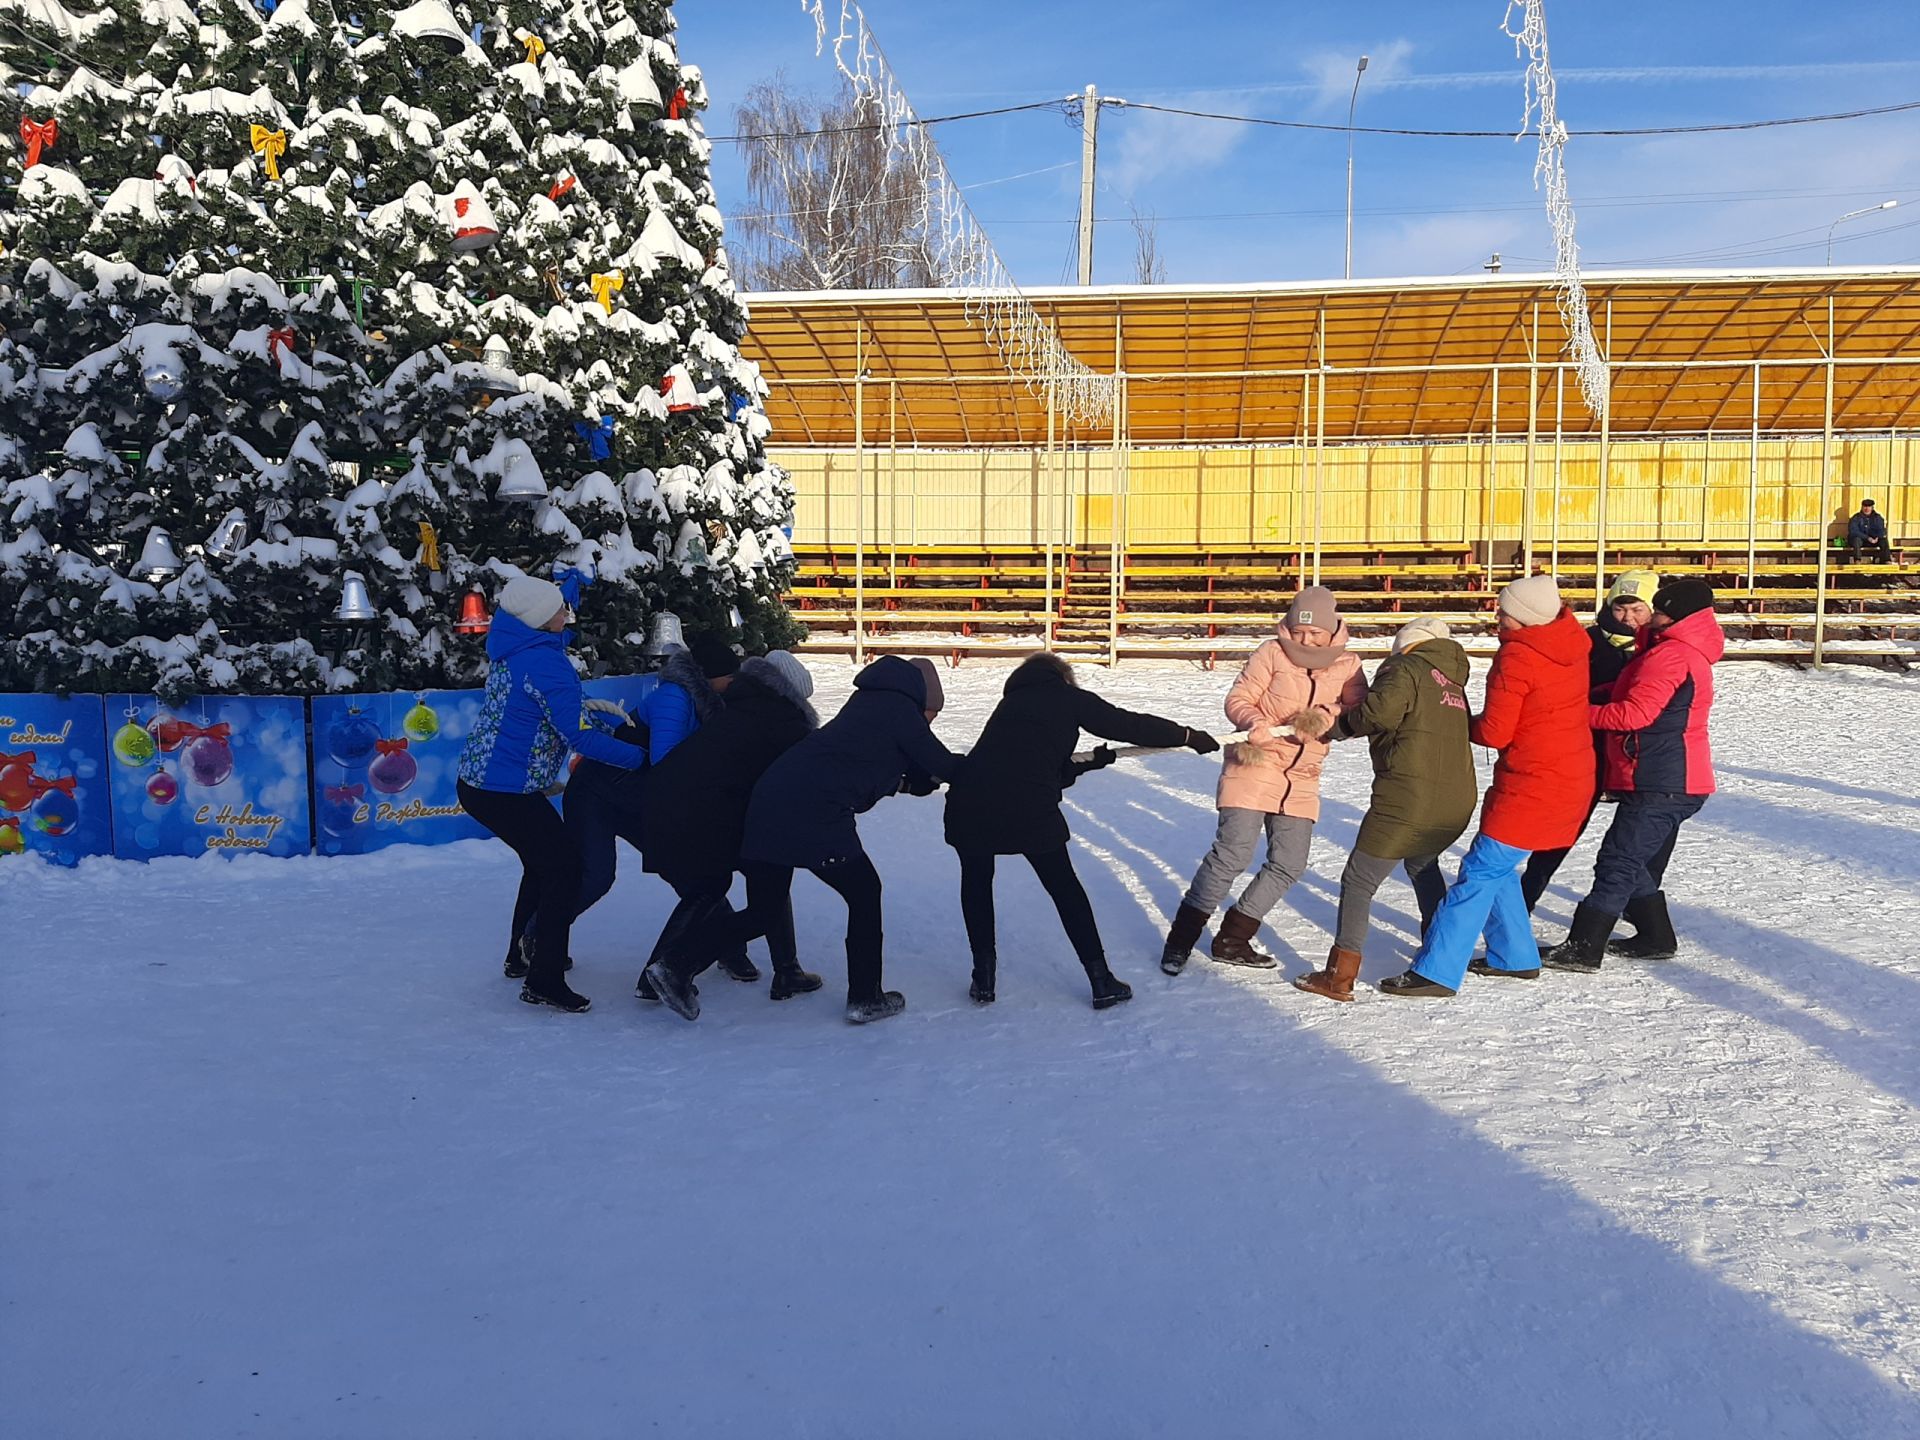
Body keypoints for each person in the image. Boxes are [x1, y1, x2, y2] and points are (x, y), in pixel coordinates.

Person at [650, 655, 959, 1025]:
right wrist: (999, 770)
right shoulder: (899, 711)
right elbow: (944, 764)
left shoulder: (866, 703)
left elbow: (861, 763)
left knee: (764, 911)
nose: (929, 724)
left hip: (767, 806)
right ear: (921, 700)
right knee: (864, 893)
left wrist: (908, 782)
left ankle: (675, 965)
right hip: (814, 815)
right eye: (931, 715)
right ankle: (866, 996)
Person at [942, 653, 1212, 1009]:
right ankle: (1101, 981)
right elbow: (1127, 725)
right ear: (1064, 677)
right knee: (1065, 889)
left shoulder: (1010, 705)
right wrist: (1186, 735)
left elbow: (1033, 763)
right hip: (1028, 810)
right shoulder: (1068, 697)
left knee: (977, 884)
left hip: (968, 803)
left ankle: (983, 979)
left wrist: (1092, 763)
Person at [1379, 575, 1592, 998]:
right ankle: (1515, 957)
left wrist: (1449, 721)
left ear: (1525, 618)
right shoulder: (1570, 645)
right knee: (1498, 865)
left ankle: (1437, 970)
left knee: (1479, 870)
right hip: (1570, 776)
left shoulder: (1519, 657)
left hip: (1533, 782)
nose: (1497, 615)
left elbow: (1495, 732)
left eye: (1504, 610)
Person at [456, 575, 646, 1013]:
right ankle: (545, 976)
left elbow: (559, 715)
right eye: (561, 609)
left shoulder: (517, 649)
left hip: (485, 782)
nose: (569, 615)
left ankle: (522, 957)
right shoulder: (545, 663)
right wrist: (642, 759)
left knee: (543, 865)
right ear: (542, 620)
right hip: (503, 790)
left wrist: (603, 723)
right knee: (566, 868)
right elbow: (579, 738)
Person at [515, 636, 744, 985]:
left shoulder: (709, 702)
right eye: (731, 677)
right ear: (710, 677)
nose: (734, 684)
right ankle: (536, 936)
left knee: (689, 872)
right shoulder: (675, 697)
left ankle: (729, 948)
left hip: (638, 795)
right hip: (597, 792)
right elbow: (665, 760)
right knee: (595, 877)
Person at [1160, 586, 1357, 975]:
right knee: (1232, 854)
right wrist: (1253, 722)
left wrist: (1325, 715)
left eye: (1314, 633)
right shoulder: (1271, 652)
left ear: (1331, 629)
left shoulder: (1348, 665)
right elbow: (1239, 697)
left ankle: (1233, 938)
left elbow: (1357, 708)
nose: (1304, 640)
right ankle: (1180, 941)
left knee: (1289, 862)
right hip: (1255, 763)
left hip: (1302, 774)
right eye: (1298, 632)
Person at [1543, 580, 1724, 972]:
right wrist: (1587, 694)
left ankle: (1584, 946)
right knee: (1635, 861)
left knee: (1618, 861)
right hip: (1670, 776)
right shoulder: (1675, 651)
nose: (1648, 615)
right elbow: (1632, 691)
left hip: (1662, 779)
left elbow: (1633, 715)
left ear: (1674, 615)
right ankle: (1655, 936)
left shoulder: (1672, 656)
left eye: (1657, 609)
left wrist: (1571, 715)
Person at [1294, 615, 1474, 1003]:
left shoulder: (1405, 666)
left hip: (1408, 796)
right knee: (1422, 866)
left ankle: (1339, 976)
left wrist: (1337, 728)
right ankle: (1437, 952)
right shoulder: (1454, 681)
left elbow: (1380, 712)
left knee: (1359, 879)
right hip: (1456, 798)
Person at [634, 651, 821, 1011]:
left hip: (696, 811)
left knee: (765, 887)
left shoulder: (737, 707)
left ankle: (787, 969)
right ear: (791, 695)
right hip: (712, 817)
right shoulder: (782, 721)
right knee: (739, 894)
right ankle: (672, 967)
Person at [1519, 569, 1659, 913]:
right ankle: (1526, 897)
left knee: (1639, 843)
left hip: (1639, 756)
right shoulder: (1589, 642)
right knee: (1562, 832)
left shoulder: (1658, 647)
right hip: (1591, 751)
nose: (1627, 618)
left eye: (1637, 609)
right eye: (1619, 609)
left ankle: (1643, 914)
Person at [1846, 498, 1891, 562]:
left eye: (1869, 507)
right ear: (1862, 507)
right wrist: (1867, 538)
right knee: (1856, 540)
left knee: (1884, 540)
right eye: (1865, 507)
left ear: (1872, 508)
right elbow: (1853, 531)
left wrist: (1877, 537)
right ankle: (1857, 560)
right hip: (1861, 540)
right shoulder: (1856, 518)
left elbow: (1881, 529)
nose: (1866, 509)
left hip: (1874, 540)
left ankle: (1887, 560)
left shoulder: (1877, 517)